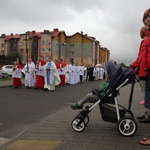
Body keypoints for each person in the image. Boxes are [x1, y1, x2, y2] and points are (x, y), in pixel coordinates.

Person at [132, 8, 150, 124]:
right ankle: (148, 113)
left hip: (148, 70)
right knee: (147, 93)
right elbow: (141, 55)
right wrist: (133, 65)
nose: (148, 19)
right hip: (144, 71)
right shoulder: (146, 39)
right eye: (146, 17)